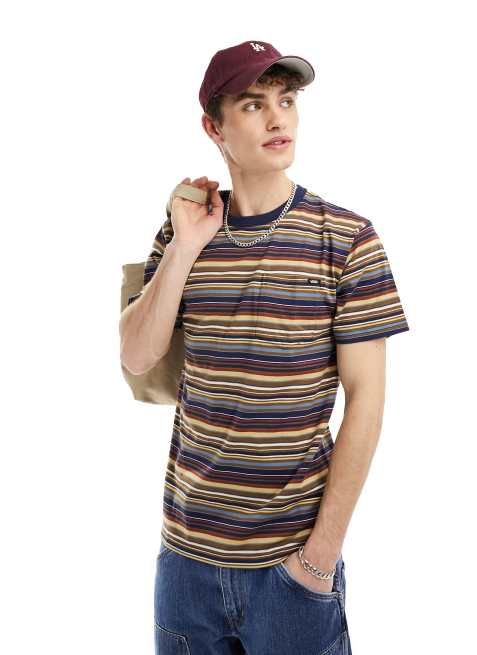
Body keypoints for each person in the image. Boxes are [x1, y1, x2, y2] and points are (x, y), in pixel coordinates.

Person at [120, 39, 410, 655]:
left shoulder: (347, 239)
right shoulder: (183, 232)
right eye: (253, 105)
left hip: (292, 567)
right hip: (185, 566)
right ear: (214, 128)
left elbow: (366, 403)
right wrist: (184, 246)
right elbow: (137, 356)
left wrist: (320, 557)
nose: (278, 118)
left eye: (286, 100)